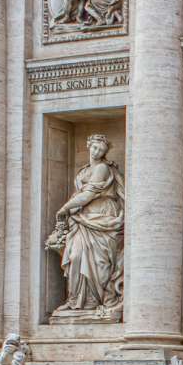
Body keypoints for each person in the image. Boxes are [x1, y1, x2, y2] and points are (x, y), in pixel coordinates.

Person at [46, 133, 125, 316]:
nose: (97, 151)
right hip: (82, 218)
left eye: (101, 150)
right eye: (95, 147)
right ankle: (75, 300)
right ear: (89, 146)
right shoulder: (83, 171)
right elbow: (80, 195)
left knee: (99, 261)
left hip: (102, 215)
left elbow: (89, 194)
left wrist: (65, 208)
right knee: (75, 256)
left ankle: (93, 300)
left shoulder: (103, 168)